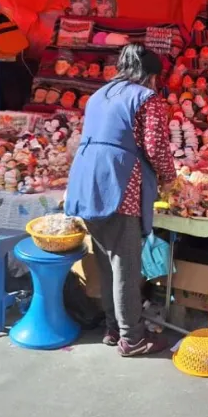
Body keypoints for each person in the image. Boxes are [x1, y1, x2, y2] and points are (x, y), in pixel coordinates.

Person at [65, 44, 176, 357]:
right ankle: (133, 339)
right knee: (125, 266)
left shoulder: (100, 95)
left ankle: (114, 329)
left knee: (107, 261)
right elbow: (155, 148)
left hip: (87, 179)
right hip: (118, 182)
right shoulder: (147, 98)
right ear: (151, 76)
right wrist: (170, 178)